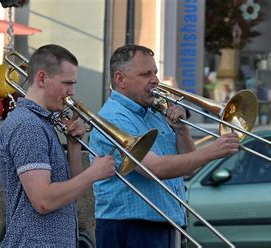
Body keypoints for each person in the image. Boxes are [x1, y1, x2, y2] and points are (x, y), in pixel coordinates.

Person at [89, 44, 240, 248]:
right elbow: (154, 168)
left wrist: (181, 130)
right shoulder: (114, 118)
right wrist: (212, 151)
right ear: (120, 79)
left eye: (155, 73)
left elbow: (190, 168)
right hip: (129, 226)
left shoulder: (153, 111)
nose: (155, 80)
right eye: (145, 74)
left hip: (163, 223)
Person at [0, 44, 116, 247]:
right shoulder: (28, 125)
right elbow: (43, 201)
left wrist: (74, 146)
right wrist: (94, 173)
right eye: (67, 83)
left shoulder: (43, 122)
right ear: (42, 78)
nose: (72, 92)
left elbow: (70, 191)